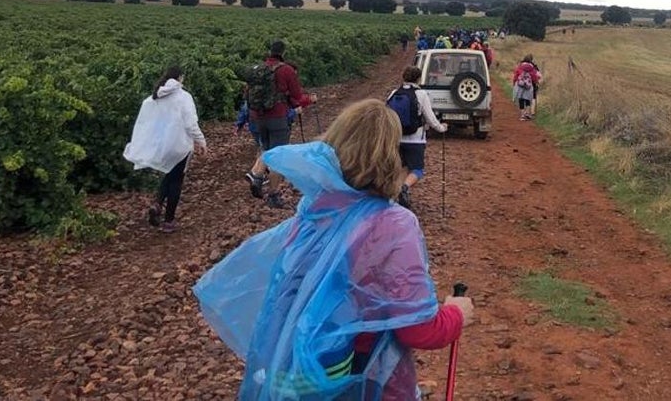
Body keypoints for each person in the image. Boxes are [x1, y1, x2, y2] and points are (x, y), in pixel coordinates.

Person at [195, 99, 474, 400]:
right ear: (392, 155)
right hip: (353, 377)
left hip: (296, 369)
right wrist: (456, 315)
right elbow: (418, 329)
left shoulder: (314, 209)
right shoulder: (393, 224)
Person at [123, 65, 207, 233]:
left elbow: (147, 122)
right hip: (180, 145)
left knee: (169, 175)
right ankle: (169, 221)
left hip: (163, 144)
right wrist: (201, 141)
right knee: (176, 181)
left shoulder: (154, 97)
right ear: (180, 77)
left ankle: (157, 204)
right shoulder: (184, 97)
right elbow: (191, 124)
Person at [243, 40, 317, 209]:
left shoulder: (260, 69)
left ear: (270, 52)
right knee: (279, 156)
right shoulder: (286, 70)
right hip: (277, 117)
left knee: (266, 148)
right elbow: (297, 96)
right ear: (283, 53)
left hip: (257, 116)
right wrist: (309, 100)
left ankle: (257, 175)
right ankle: (273, 194)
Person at [390, 66, 447, 211]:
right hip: (416, 139)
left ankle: (397, 195)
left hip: (396, 138)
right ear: (418, 78)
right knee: (417, 170)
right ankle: (404, 188)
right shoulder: (421, 94)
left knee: (403, 167)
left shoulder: (394, 93)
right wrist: (442, 128)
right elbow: (430, 118)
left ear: (403, 77)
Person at [512, 56, 541, 120]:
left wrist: (514, 83)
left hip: (520, 86)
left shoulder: (520, 67)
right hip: (529, 86)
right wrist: (536, 82)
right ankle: (527, 113)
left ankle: (522, 115)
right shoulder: (532, 68)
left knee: (521, 99)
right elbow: (534, 77)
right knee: (528, 99)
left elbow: (516, 75)